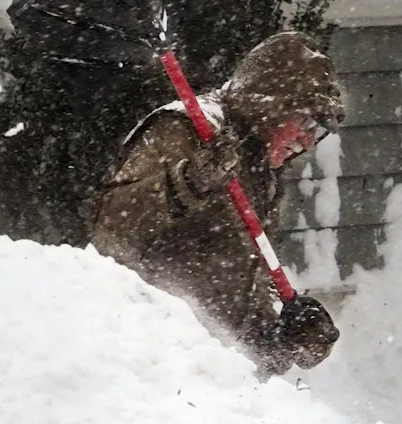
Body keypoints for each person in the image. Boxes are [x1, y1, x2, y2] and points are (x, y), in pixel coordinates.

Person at [89, 31, 345, 377]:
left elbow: (238, 277)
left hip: (217, 372)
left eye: (319, 131)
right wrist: (188, 182)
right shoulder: (186, 130)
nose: (309, 142)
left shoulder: (259, 163)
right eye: (306, 124)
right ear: (270, 106)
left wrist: (282, 339)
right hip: (157, 360)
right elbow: (112, 226)